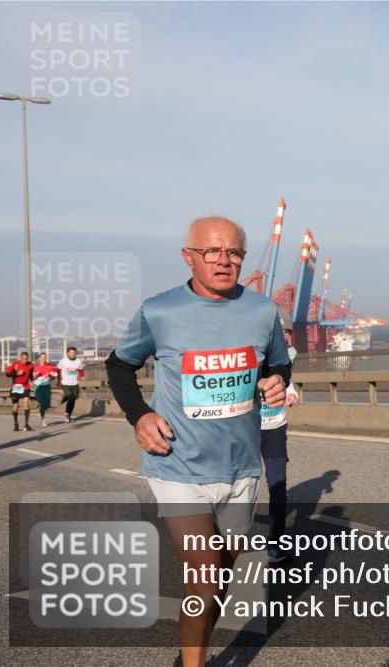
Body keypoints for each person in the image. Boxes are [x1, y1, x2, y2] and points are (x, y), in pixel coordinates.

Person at [106, 216, 290, 667]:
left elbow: (281, 367)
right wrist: (141, 414)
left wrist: (275, 382)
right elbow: (118, 365)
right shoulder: (160, 310)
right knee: (204, 578)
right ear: (189, 256)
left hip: (241, 469)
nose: (223, 261)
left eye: (233, 252)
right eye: (211, 251)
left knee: (218, 581)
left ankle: (190, 649)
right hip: (178, 466)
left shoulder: (263, 310)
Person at [259, 308, 300, 564]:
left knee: (278, 486)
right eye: (280, 332)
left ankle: (275, 544)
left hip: (275, 428)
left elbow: (288, 382)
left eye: (288, 333)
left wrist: (293, 393)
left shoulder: (288, 358)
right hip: (247, 429)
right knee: (242, 488)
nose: (285, 338)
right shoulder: (253, 355)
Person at [5, 351, 35, 432]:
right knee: (15, 406)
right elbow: (7, 374)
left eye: (26, 359)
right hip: (16, 387)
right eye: (23, 359)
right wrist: (17, 374)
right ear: (20, 358)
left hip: (25, 386)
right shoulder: (16, 364)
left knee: (26, 401)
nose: (24, 361)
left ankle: (26, 424)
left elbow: (31, 374)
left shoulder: (31, 364)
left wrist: (32, 381)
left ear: (28, 358)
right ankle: (15, 423)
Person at [56, 346, 84, 422]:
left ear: (76, 353)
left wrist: (82, 376)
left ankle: (68, 414)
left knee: (73, 400)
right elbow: (58, 370)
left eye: (74, 353)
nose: (72, 354)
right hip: (65, 383)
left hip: (75, 383)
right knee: (70, 398)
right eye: (71, 352)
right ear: (68, 353)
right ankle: (66, 413)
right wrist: (58, 380)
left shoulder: (79, 361)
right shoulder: (63, 361)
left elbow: (80, 369)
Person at [32, 352, 58, 427]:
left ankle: (41, 411)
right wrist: (37, 374)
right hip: (38, 386)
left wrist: (50, 376)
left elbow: (54, 376)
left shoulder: (50, 366)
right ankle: (43, 420)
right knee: (42, 403)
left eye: (45, 357)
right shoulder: (35, 367)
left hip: (46, 386)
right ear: (39, 358)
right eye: (42, 357)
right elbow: (32, 378)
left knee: (47, 405)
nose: (44, 358)